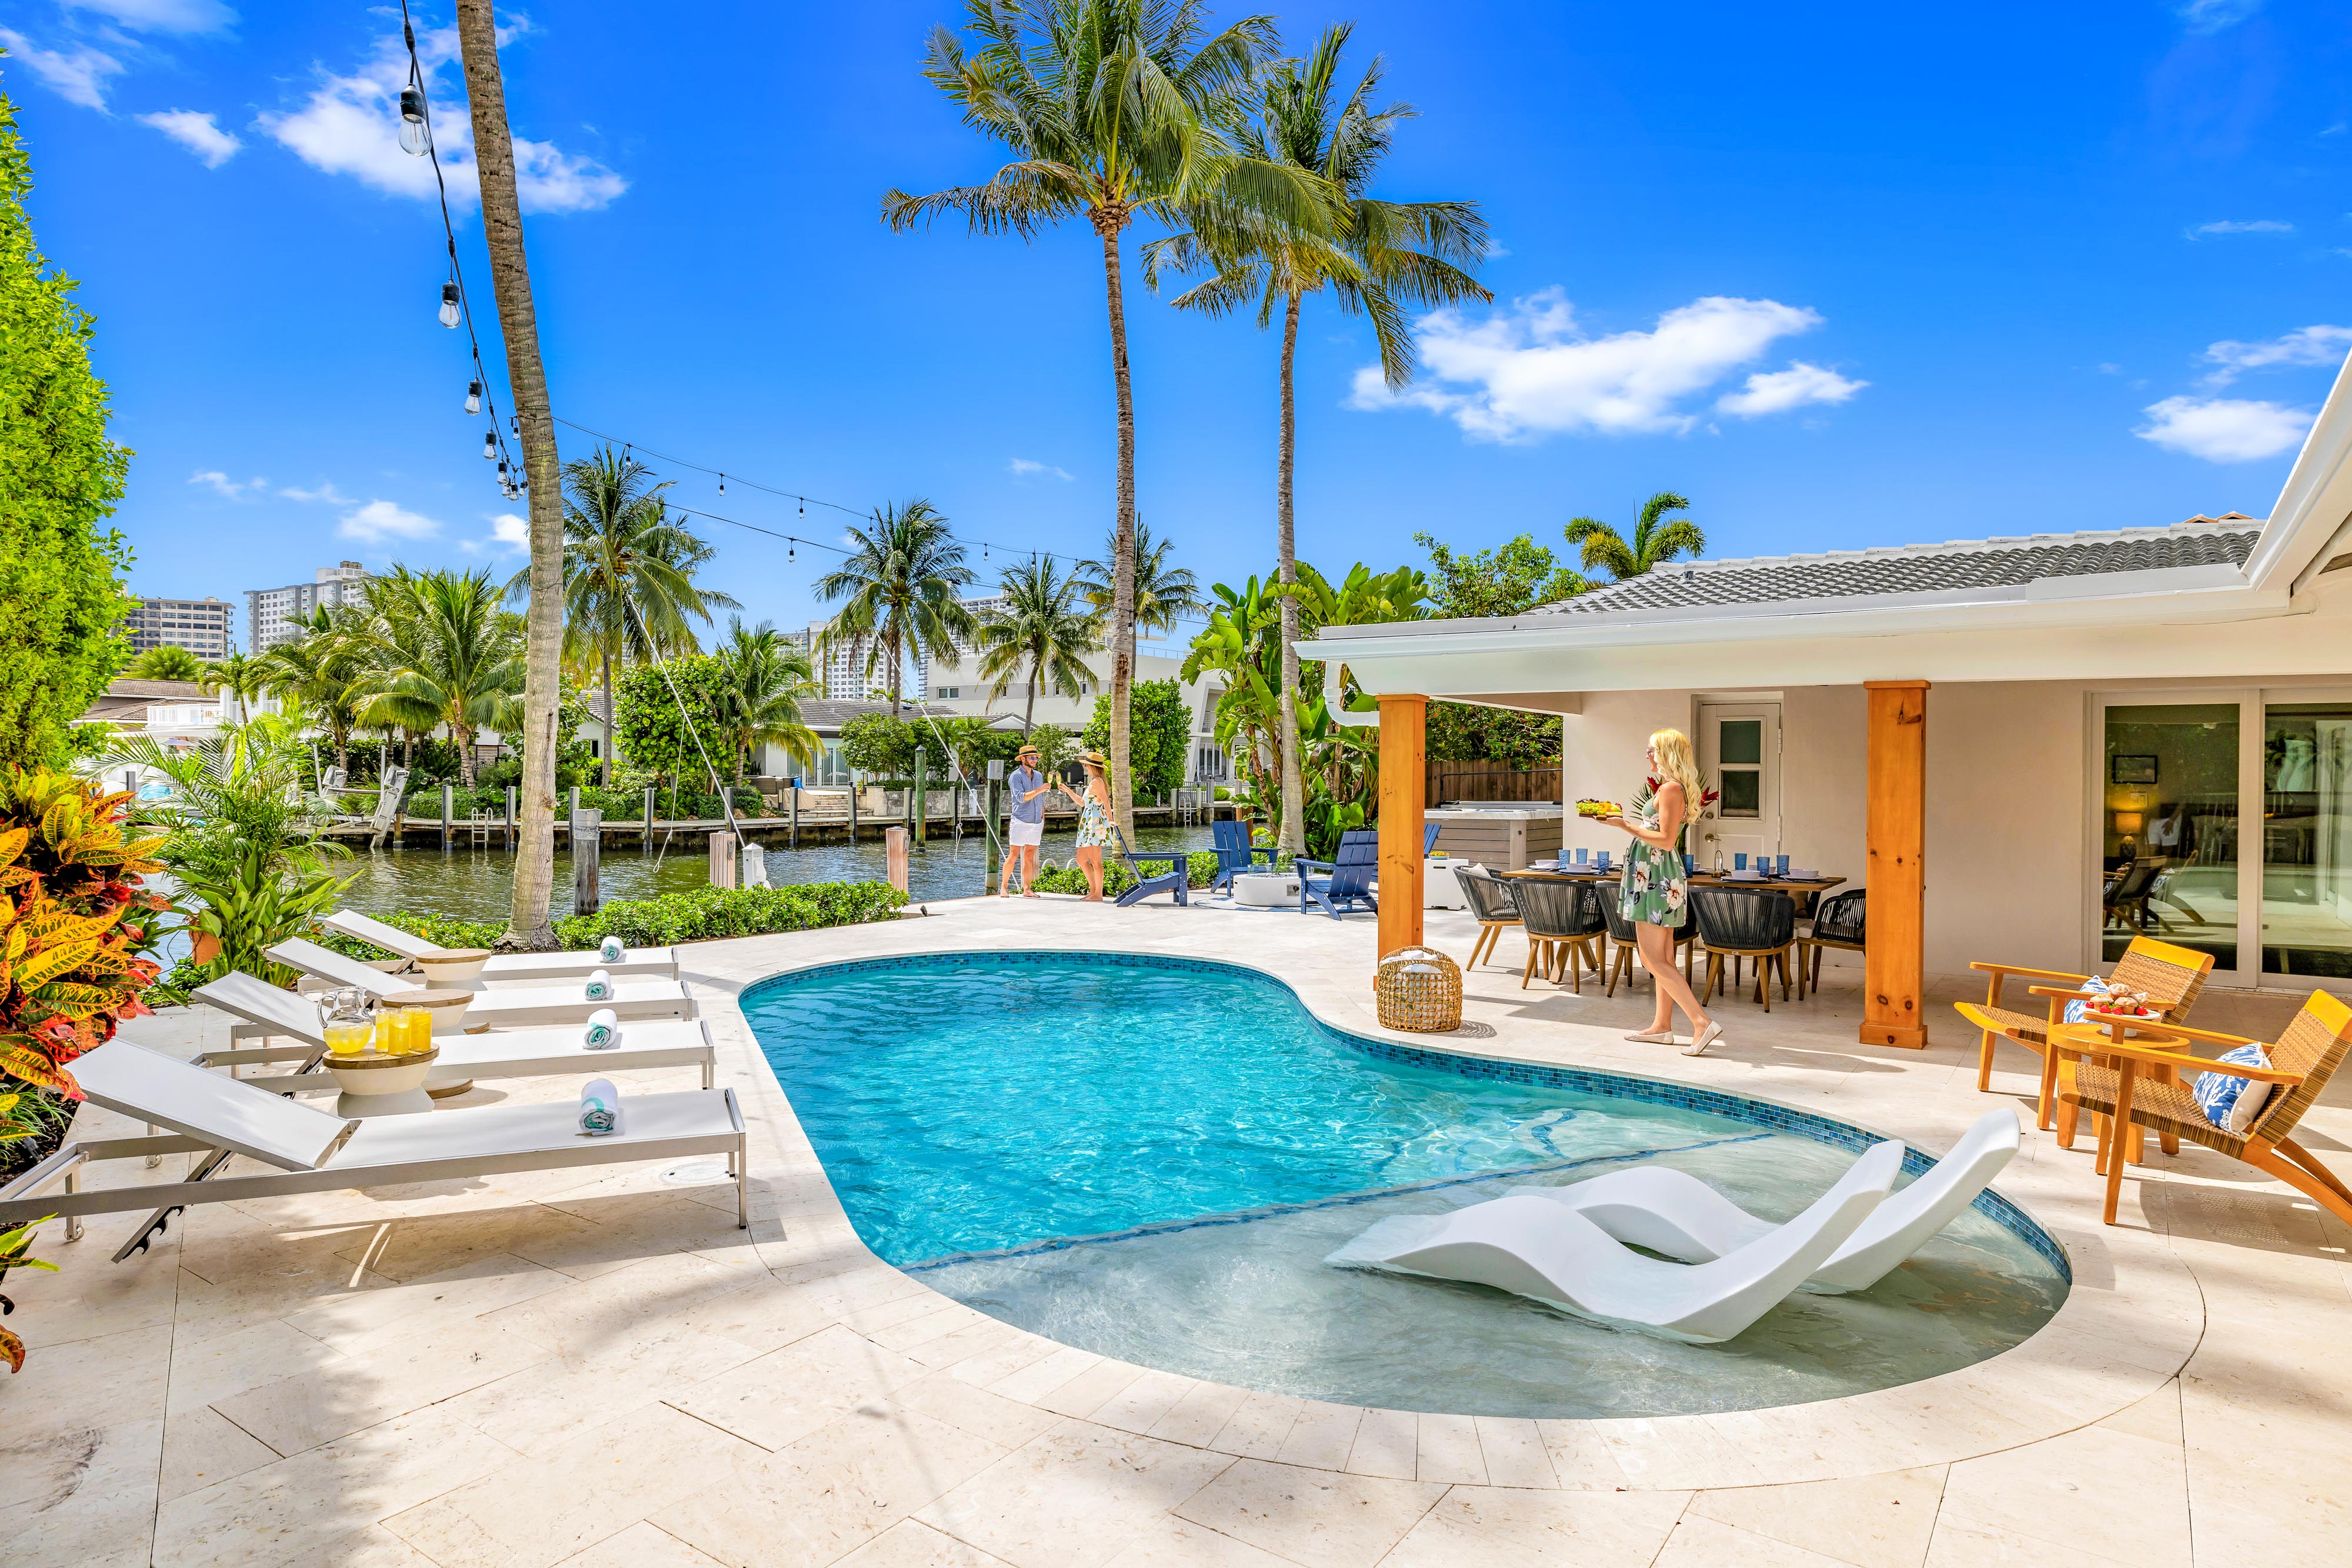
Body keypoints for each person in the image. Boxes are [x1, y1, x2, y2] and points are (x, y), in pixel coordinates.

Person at [1597, 729, 1723, 1057]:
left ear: (1667, 753)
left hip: (1654, 879)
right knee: (1664, 959)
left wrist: (1623, 825)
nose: (1648, 756)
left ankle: (1701, 1022)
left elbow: (1666, 840)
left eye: (1651, 750)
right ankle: (1662, 1027)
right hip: (1658, 877)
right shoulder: (1672, 788)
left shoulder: (1670, 790)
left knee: (1651, 959)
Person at [1057, 750, 1114, 902]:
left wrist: (1110, 820)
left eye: (1087, 766)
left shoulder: (1097, 782)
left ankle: (1098, 894)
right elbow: (1082, 803)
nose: (1086, 768)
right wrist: (1068, 790)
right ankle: (1093, 890)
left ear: (1093, 767)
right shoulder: (1093, 782)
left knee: (1096, 861)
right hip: (1088, 821)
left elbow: (1106, 802)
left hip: (1095, 823)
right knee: (1081, 859)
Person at [1000, 743, 1051, 898]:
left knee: (1029, 856)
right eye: (1033, 757)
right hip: (1020, 820)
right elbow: (1021, 798)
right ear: (1023, 759)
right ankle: (1003, 887)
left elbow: (1040, 799)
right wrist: (1040, 789)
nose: (1035, 760)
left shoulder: (1039, 776)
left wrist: (1042, 817)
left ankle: (1027, 889)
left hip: (1036, 822)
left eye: (1036, 758)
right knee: (1014, 855)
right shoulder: (1016, 776)